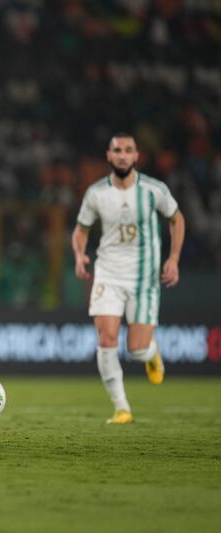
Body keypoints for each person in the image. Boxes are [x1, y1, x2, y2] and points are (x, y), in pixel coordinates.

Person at [72, 132, 185, 424]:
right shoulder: (96, 193)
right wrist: (80, 254)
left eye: (128, 150)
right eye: (117, 150)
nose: (122, 155)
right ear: (108, 156)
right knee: (106, 337)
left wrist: (173, 259)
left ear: (137, 156)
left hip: (144, 279)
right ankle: (122, 408)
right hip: (108, 273)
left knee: (136, 350)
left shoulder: (153, 190)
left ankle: (149, 352)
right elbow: (81, 228)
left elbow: (176, 219)